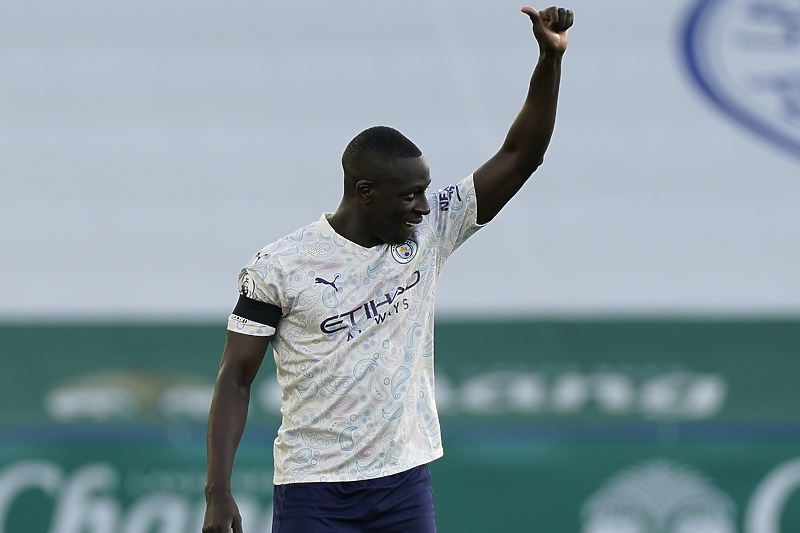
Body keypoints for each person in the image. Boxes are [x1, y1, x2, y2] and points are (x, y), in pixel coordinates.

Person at [203, 5, 573, 533]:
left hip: (403, 483)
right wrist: (219, 492)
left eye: (425, 193)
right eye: (410, 195)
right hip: (314, 490)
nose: (424, 207)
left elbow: (522, 154)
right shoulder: (278, 266)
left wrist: (549, 60)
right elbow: (235, 380)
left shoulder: (430, 234)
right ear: (365, 192)